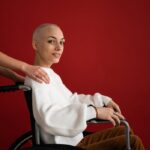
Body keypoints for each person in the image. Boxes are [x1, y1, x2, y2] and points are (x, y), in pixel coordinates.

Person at [25, 23, 145, 150]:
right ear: (35, 44)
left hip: (76, 141)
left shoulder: (50, 75)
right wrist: (95, 112)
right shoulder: (38, 78)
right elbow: (49, 117)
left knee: (124, 131)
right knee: (132, 142)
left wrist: (102, 100)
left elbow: (72, 100)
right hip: (63, 146)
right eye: (51, 41)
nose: (59, 47)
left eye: (62, 42)